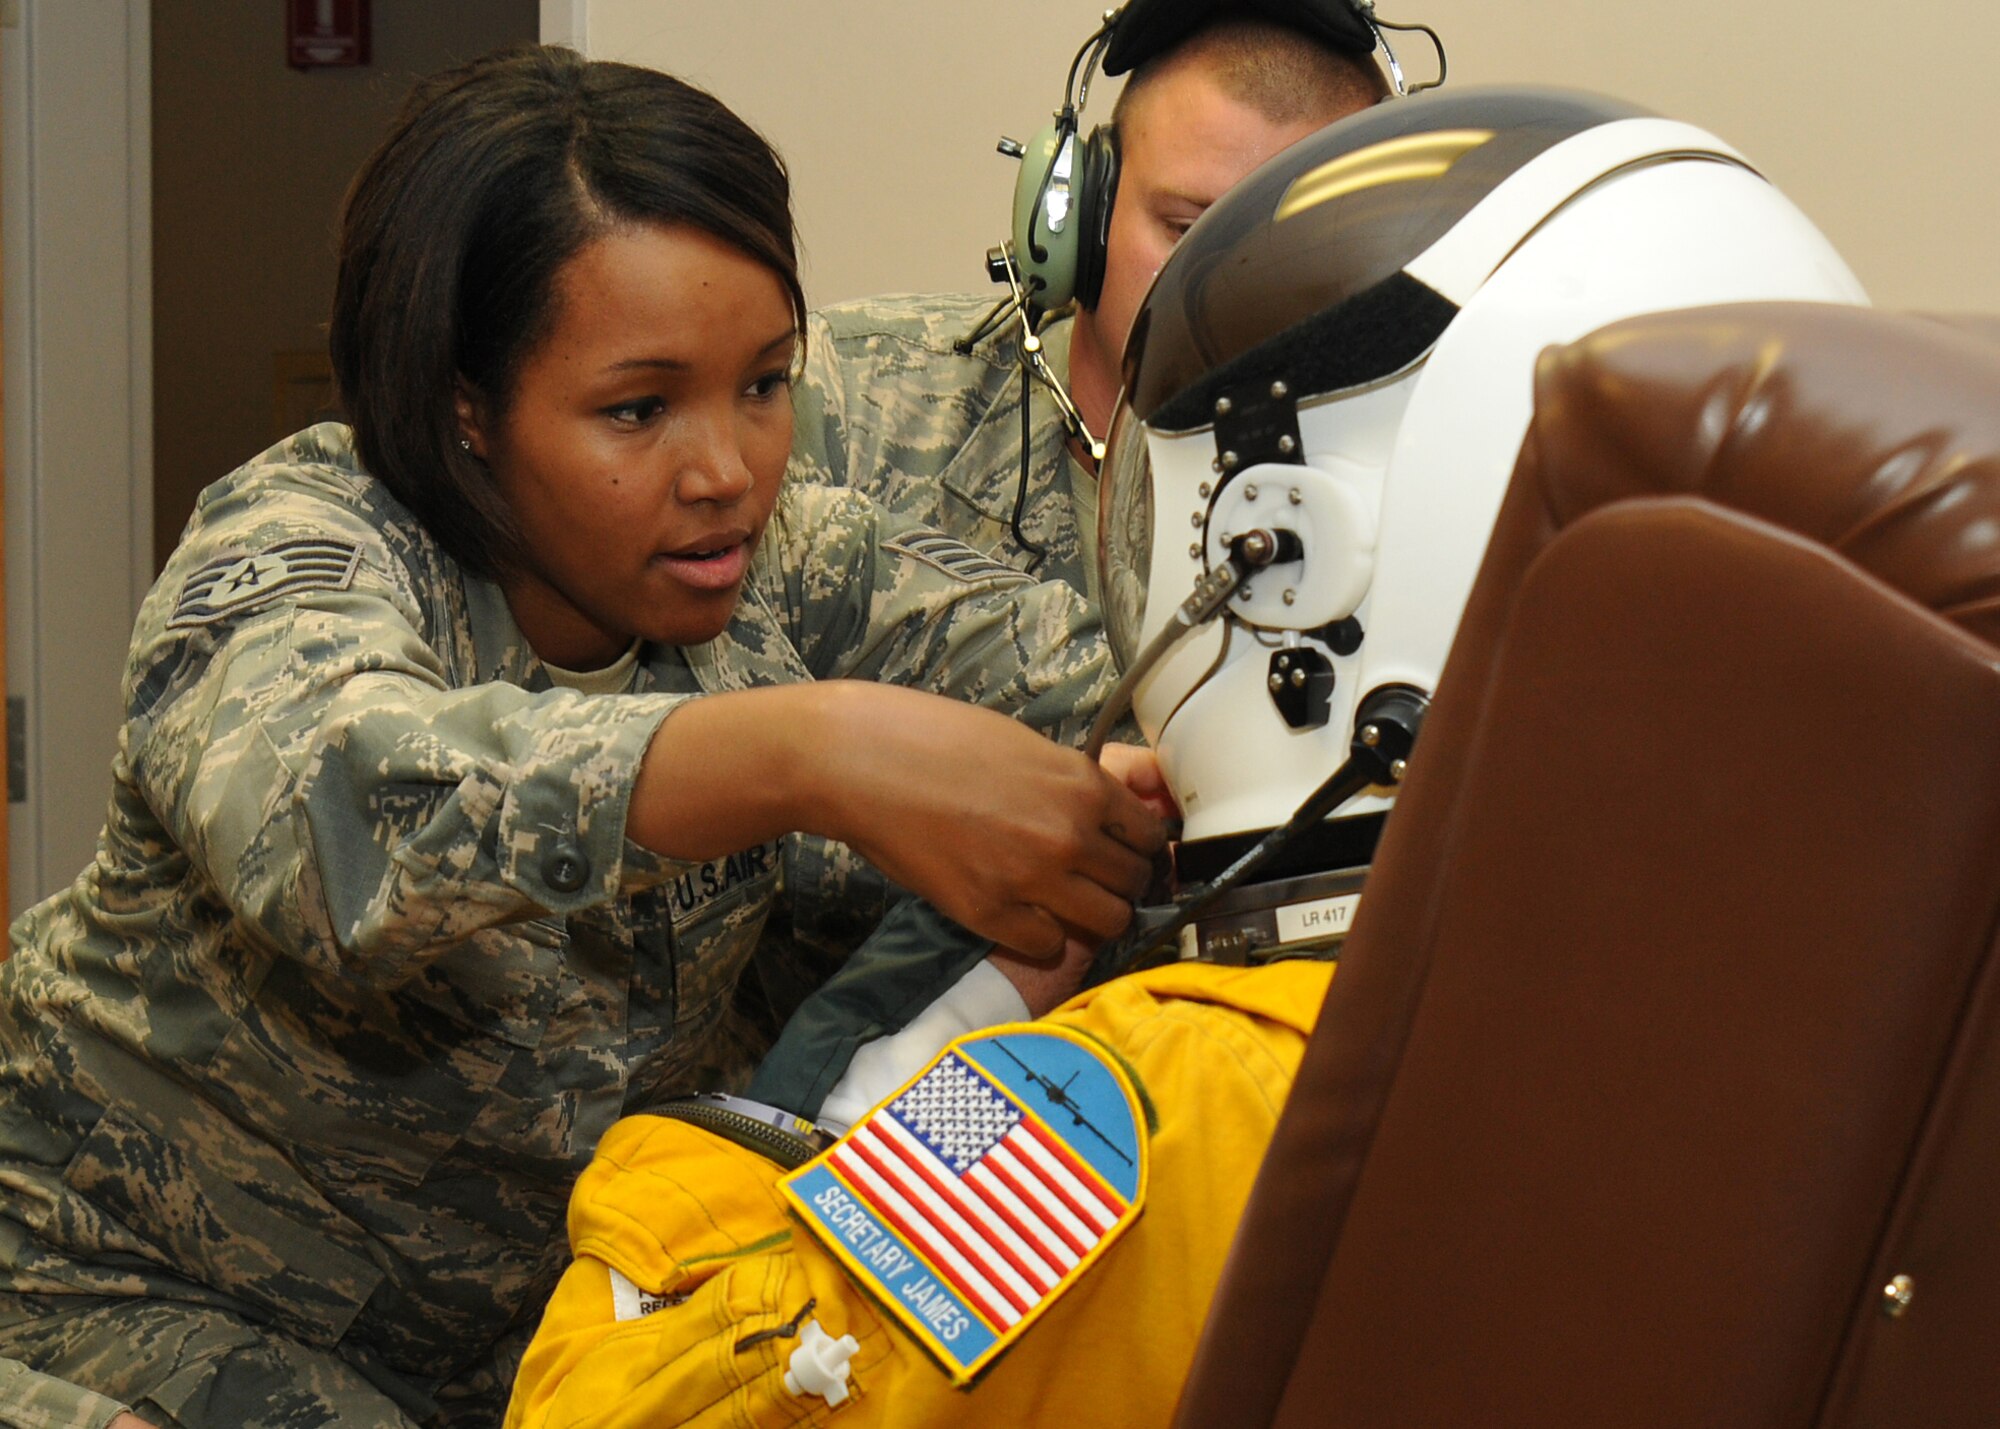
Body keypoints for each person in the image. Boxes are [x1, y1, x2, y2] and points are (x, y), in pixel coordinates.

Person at [504, 83, 1866, 1429]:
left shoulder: (1112, 1119)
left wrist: (882, 1057)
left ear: (1279, 553)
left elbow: (642, 1404)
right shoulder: (1866, 1005)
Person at [0, 45, 1170, 1429]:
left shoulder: (791, 563)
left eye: (764, 383)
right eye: (638, 408)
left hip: (542, 1349)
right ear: (464, 409)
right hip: (112, 1290)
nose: (727, 470)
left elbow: (1130, 690)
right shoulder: (301, 545)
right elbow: (337, 819)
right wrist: (813, 751)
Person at [786, 9, 1391, 598]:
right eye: (1188, 231)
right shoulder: (844, 405)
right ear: (1077, 218)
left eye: (1302, 244)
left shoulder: (1435, 480)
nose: (1233, 293)